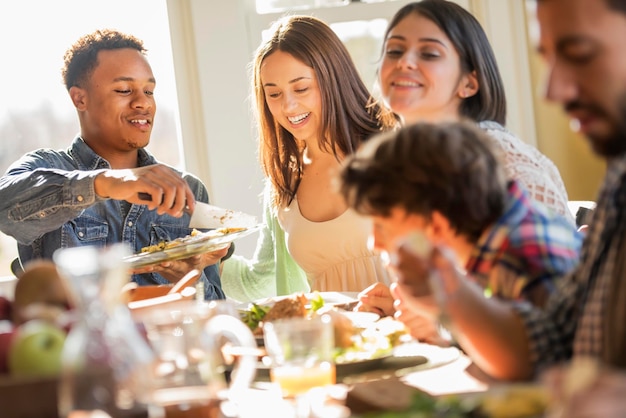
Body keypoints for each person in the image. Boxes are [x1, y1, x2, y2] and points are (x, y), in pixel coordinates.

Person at [387, 1, 626, 406]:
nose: (552, 90)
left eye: (580, 54)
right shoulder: (618, 179)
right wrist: (449, 294)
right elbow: (552, 343)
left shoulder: (505, 165)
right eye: (548, 59)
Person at [0, 29, 227, 299]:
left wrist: (190, 281)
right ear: (79, 98)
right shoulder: (46, 166)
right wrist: (108, 182)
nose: (143, 102)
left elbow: (217, 309)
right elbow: (5, 208)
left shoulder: (189, 190)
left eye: (149, 91)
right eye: (124, 90)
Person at [338, 121, 582, 344]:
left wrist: (445, 319)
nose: (374, 243)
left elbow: (531, 364)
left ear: (436, 224)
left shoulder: (523, 256)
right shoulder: (490, 244)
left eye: (382, 226)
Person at [220, 15, 399, 302]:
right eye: (274, 94)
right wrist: (208, 259)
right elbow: (257, 283)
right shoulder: (284, 185)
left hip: (412, 335)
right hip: (340, 343)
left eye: (301, 88)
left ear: (334, 79)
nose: (288, 106)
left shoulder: (394, 152)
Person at [376, 0, 572, 222]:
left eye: (429, 53)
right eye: (394, 50)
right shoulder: (393, 161)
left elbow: (557, 254)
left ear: (469, 84)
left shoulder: (504, 162)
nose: (404, 62)